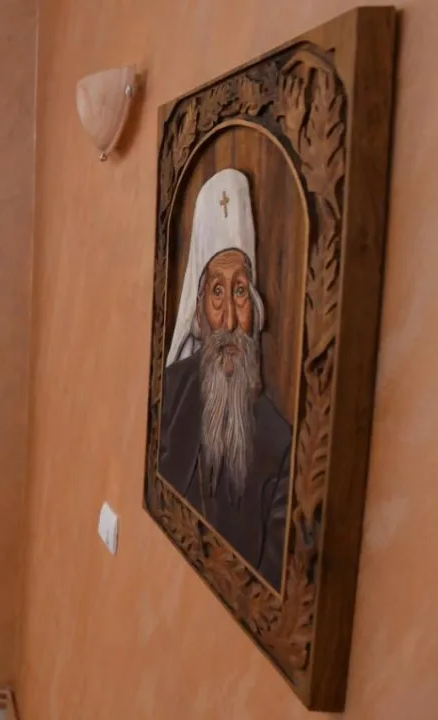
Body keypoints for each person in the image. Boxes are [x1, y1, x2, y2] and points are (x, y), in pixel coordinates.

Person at [157, 169, 291, 590]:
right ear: (198, 310)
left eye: (240, 291)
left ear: (256, 306)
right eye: (217, 291)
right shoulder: (169, 392)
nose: (230, 321)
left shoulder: (280, 445)